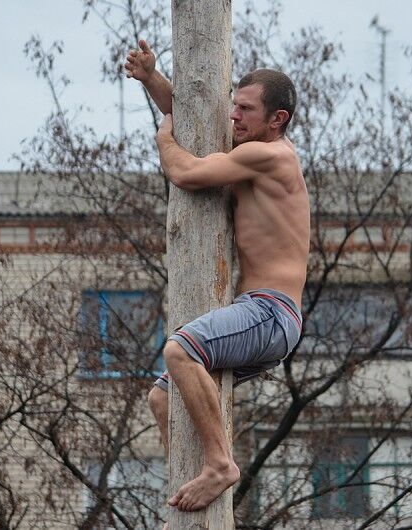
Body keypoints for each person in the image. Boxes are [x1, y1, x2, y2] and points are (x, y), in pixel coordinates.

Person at [125, 39, 310, 513]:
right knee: (162, 397)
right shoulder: (252, 149)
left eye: (245, 110)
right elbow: (193, 121)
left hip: (270, 313)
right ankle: (189, 502)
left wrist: (163, 138)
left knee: (180, 349)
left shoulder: (274, 156)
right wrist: (152, 79)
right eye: (234, 105)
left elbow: (185, 172)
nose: (233, 116)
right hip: (262, 318)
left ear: (277, 119)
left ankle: (220, 464)